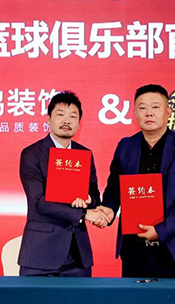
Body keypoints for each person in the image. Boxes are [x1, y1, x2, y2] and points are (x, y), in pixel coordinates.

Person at [98, 84, 175, 278]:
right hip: (133, 247)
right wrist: (109, 208)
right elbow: (114, 187)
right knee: (134, 298)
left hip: (173, 247)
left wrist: (161, 230)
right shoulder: (125, 146)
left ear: (168, 112)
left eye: (155, 107)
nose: (149, 113)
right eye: (142, 108)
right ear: (134, 113)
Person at [18, 91, 108, 277]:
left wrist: (88, 200)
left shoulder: (85, 154)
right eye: (60, 114)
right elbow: (38, 202)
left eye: (73, 116)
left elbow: (94, 196)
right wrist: (84, 214)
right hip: (40, 255)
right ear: (48, 119)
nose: (67, 120)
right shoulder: (32, 154)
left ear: (79, 123)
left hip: (78, 255)